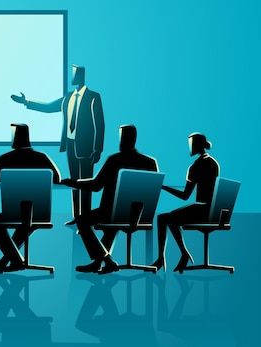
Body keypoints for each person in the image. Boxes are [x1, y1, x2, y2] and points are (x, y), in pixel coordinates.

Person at [12, 64, 104, 225]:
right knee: (74, 181)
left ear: (81, 75)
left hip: (87, 147)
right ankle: (77, 216)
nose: (72, 76)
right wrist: (26, 101)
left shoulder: (93, 96)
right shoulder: (68, 97)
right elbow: (48, 108)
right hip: (70, 144)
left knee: (86, 183)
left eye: (75, 73)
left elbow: (100, 124)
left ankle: (86, 218)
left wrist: (98, 149)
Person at [62, 125, 158, 273]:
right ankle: (100, 262)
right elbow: (152, 193)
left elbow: (95, 186)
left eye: (121, 137)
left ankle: (106, 260)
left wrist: (73, 182)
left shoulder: (115, 160)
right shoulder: (150, 162)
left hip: (113, 213)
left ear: (124, 139)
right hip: (139, 216)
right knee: (112, 219)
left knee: (82, 220)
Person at [0, 123, 61, 272]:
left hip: (14, 213)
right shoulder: (42, 157)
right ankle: (12, 260)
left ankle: (13, 260)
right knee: (26, 223)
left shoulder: (5, 159)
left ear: (14, 138)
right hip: (40, 213)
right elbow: (57, 179)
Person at [151, 133, 220, 272]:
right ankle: (183, 254)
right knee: (172, 218)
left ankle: (163, 258)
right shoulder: (213, 162)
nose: (189, 147)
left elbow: (184, 196)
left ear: (197, 145)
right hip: (214, 212)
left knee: (162, 218)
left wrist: (163, 187)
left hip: (202, 210)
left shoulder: (196, 166)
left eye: (191, 144)